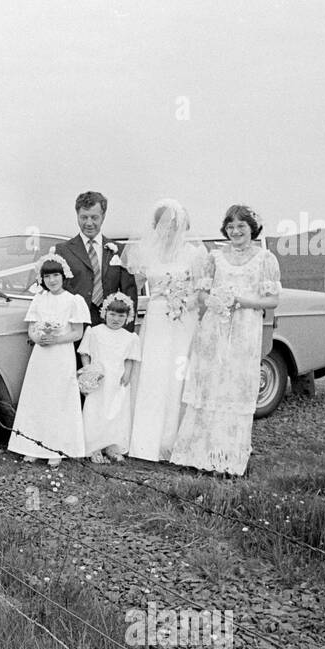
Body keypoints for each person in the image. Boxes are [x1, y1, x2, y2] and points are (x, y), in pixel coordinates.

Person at [171, 204, 282, 476]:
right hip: (214, 329)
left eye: (241, 226)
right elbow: (201, 295)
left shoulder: (265, 259)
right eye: (231, 227)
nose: (235, 232)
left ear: (252, 228)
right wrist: (216, 302)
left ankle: (228, 459)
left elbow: (273, 300)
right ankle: (198, 455)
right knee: (210, 385)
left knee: (235, 386)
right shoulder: (215, 257)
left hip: (245, 329)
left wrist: (241, 302)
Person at [124, 198, 210, 463]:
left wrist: (186, 300)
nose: (169, 230)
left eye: (175, 226)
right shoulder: (144, 253)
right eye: (165, 225)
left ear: (184, 227)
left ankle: (176, 442)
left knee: (178, 375)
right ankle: (145, 442)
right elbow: (132, 290)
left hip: (184, 321)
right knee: (154, 373)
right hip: (157, 319)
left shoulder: (195, 254)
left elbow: (202, 290)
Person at [7, 253, 90, 467]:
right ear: (42, 279)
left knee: (58, 398)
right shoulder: (39, 299)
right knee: (38, 397)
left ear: (63, 276)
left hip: (61, 355)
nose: (52, 280)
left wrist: (56, 339)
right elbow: (31, 327)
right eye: (47, 276)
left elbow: (77, 333)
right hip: (41, 356)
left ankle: (57, 448)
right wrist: (37, 338)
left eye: (55, 275)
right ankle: (32, 446)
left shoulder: (73, 300)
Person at [56, 191, 140, 333]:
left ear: (103, 217)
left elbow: (129, 293)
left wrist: (125, 333)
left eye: (94, 217)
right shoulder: (63, 250)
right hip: (75, 327)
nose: (89, 223)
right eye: (84, 217)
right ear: (77, 216)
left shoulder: (120, 250)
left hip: (111, 328)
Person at [78, 292, 142, 464]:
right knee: (96, 410)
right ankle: (94, 446)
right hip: (99, 378)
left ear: (127, 317)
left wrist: (127, 372)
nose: (116, 319)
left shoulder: (130, 337)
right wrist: (88, 370)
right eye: (112, 314)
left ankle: (112, 446)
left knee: (117, 411)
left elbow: (130, 358)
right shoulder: (95, 332)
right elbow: (85, 353)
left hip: (117, 379)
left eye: (121, 316)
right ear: (105, 313)